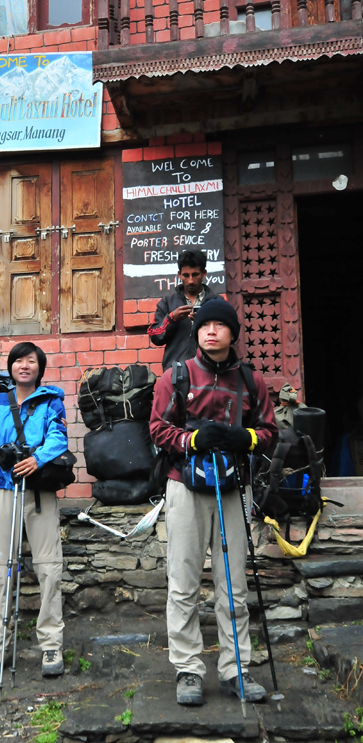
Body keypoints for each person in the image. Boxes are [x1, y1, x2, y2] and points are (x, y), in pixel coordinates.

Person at [150, 298, 278, 706]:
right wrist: (192, 440)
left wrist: (247, 438)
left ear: (232, 334)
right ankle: (188, 668)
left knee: (233, 584)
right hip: (185, 487)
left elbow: (270, 432)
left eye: (220, 325)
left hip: (234, 487)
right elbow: (157, 429)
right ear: (196, 331)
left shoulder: (251, 381)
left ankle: (236, 669)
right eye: (205, 325)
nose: (211, 331)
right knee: (183, 581)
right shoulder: (176, 376)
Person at [0, 342, 68, 678]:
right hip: (3, 490)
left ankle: (51, 645)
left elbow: (59, 437)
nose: (25, 366)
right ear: (11, 367)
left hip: (40, 490)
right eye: (18, 361)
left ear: (40, 368)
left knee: (49, 568)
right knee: (1, 568)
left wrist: (37, 459)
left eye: (31, 361)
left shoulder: (51, 400)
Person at [148, 250, 219, 372]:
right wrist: (172, 319)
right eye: (186, 275)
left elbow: (229, 335)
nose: (190, 281)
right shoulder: (167, 302)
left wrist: (205, 323)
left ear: (204, 274)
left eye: (195, 275)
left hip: (209, 371)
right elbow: (155, 337)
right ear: (179, 275)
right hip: (176, 372)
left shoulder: (217, 302)